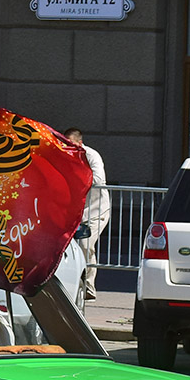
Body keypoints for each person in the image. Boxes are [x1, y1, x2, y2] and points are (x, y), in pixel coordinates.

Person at [65, 127, 110, 301]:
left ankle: (89, 286)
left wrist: (77, 175)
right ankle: (72, 283)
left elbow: (98, 180)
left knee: (85, 244)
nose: (69, 147)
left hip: (96, 211)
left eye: (72, 144)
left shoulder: (91, 156)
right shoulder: (65, 155)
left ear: (80, 143)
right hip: (76, 211)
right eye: (66, 143)